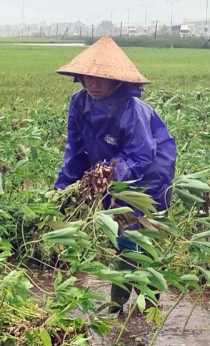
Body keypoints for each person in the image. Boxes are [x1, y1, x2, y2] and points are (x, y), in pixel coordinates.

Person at [53, 36, 177, 309]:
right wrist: (62, 189)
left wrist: (109, 174)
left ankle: (148, 304)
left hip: (150, 173)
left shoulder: (132, 110)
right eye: (88, 77)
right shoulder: (79, 102)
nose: (93, 84)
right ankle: (119, 305)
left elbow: (142, 154)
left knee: (138, 237)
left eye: (101, 79)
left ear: (117, 80)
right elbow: (75, 148)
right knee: (119, 236)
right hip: (109, 168)